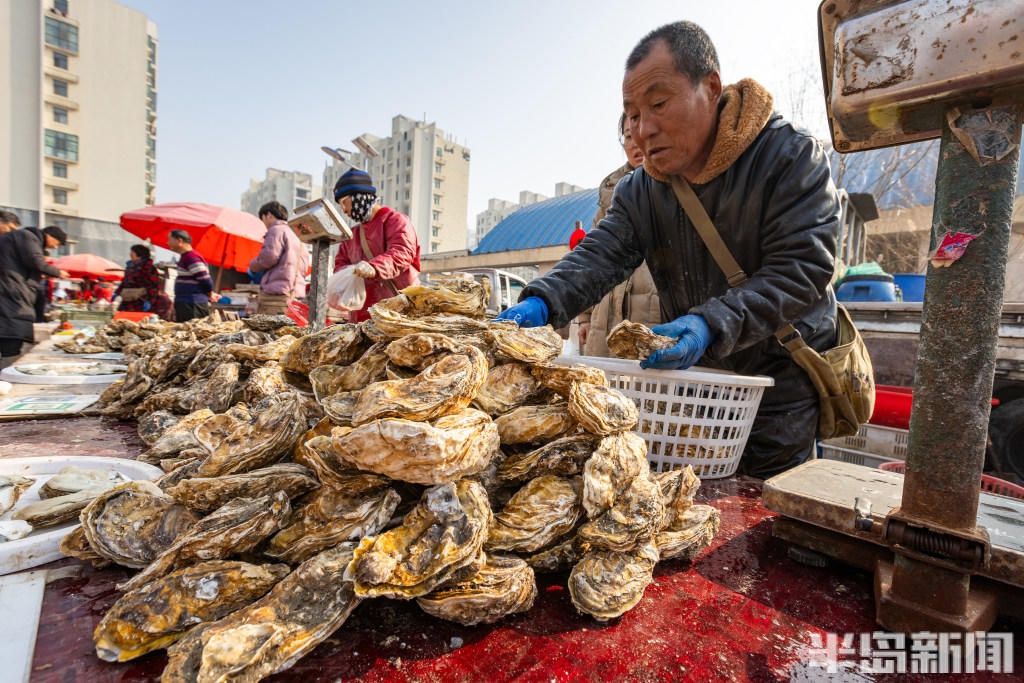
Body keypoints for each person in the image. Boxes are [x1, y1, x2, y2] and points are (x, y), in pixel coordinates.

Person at [497, 21, 841, 479]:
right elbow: (600, 255)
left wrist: (709, 323)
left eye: (658, 105)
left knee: (767, 502)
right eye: (633, 116)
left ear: (711, 88)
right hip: (698, 384)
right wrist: (542, 301)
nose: (644, 130)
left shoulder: (789, 157)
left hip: (780, 384)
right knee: (692, 495)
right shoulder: (640, 190)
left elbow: (802, 269)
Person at [577, 115, 661, 358]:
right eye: (628, 136)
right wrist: (585, 316)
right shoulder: (610, 193)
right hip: (605, 317)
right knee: (600, 380)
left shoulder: (678, 185)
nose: (636, 143)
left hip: (653, 315)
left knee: (647, 380)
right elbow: (591, 257)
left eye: (642, 132)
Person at [332, 169, 421, 323]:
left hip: (397, 316)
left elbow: (402, 252)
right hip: (360, 319)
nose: (344, 210)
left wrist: (374, 267)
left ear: (359, 196)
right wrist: (346, 275)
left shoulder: (396, 221)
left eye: (343, 202)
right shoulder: (351, 235)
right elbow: (340, 265)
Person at [0, 225, 70, 367]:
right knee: (11, 343)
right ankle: (6, 371)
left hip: (12, 300)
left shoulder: (19, 241)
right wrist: (57, 272)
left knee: (12, 338)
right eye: (57, 243)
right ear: (49, 236)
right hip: (12, 300)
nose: (55, 247)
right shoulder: (26, 236)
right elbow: (36, 261)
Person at [249, 201, 309, 315]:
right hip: (295, 293)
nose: (263, 224)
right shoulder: (296, 234)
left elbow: (268, 258)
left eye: (262, 219)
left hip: (277, 295)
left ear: (269, 215)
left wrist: (252, 265)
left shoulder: (276, 230)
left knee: (269, 326)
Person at [167, 228, 217, 322]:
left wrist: (210, 293)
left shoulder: (191, 257)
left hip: (192, 304)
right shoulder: (185, 257)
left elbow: (205, 279)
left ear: (179, 241)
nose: (168, 243)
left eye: (170, 240)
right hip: (186, 303)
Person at [113, 244, 162, 312]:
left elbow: (153, 286)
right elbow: (124, 282)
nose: (130, 254)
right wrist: (117, 292)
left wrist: (149, 301)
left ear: (140, 255)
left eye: (132, 252)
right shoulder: (130, 267)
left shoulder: (148, 268)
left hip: (140, 301)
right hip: (127, 300)